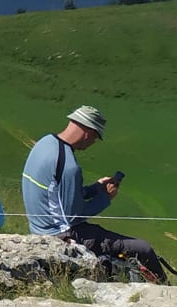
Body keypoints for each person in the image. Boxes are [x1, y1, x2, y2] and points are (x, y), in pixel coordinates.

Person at [21, 104, 167, 281]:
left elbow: (57, 196)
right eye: (95, 138)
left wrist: (95, 188)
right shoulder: (69, 167)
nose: (92, 144)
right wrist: (105, 198)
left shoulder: (45, 143)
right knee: (143, 249)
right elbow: (74, 216)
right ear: (88, 133)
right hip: (63, 233)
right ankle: (165, 289)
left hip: (39, 227)